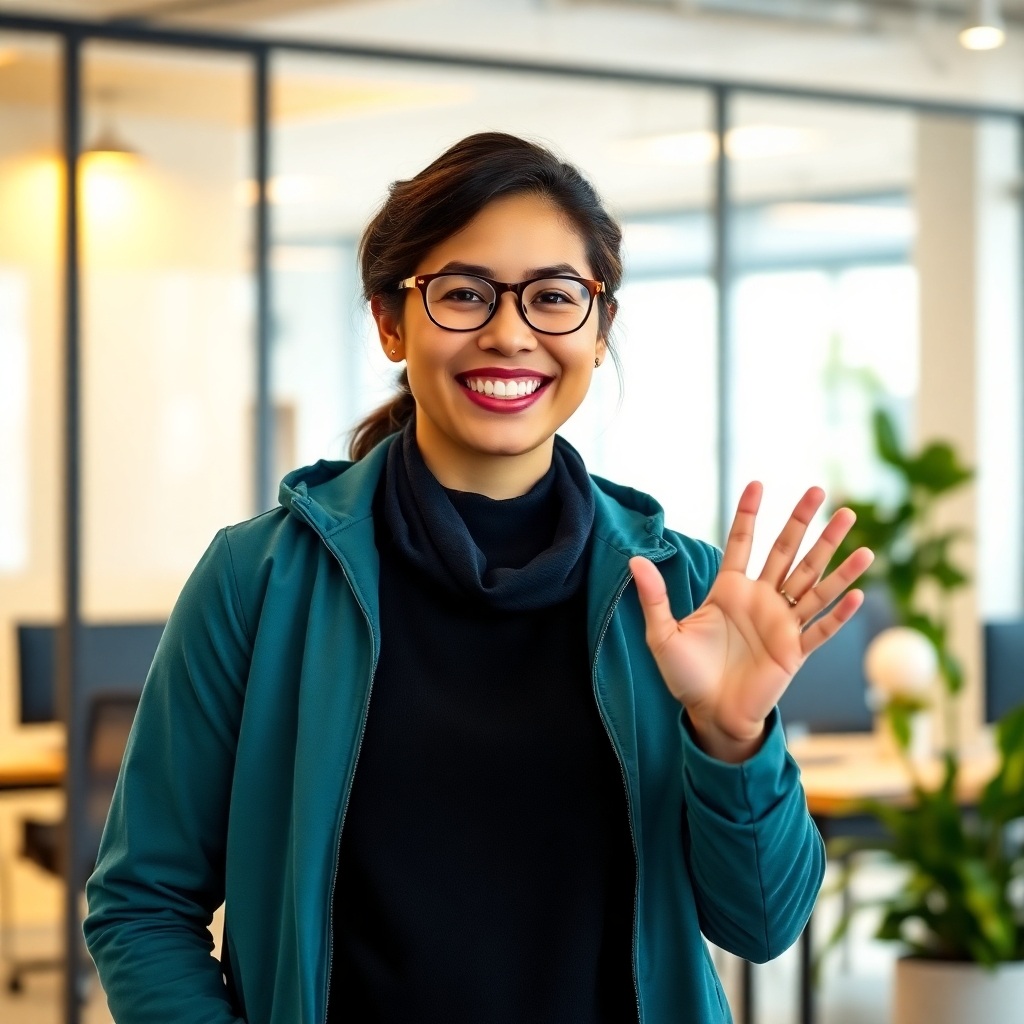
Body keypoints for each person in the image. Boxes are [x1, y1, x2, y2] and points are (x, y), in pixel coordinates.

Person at [84, 132, 873, 1024]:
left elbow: (761, 924)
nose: (510, 333)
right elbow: (143, 902)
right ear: (391, 321)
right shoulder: (261, 578)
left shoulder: (679, 590)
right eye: (462, 294)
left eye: (554, 298)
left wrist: (734, 738)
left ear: (600, 330)